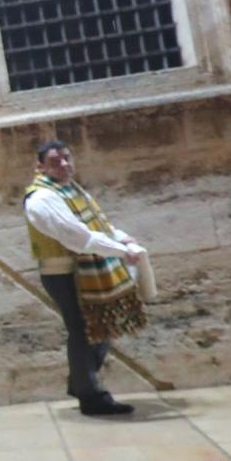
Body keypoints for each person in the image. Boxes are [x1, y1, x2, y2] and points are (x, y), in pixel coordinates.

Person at [23, 140, 148, 416]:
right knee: (85, 331)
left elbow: (98, 225)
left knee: (101, 327)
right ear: (40, 166)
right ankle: (90, 395)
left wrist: (122, 238)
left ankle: (81, 383)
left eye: (67, 158)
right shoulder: (42, 198)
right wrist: (121, 251)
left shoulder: (71, 190)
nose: (65, 164)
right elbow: (80, 238)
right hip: (65, 274)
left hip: (87, 267)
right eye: (56, 161)